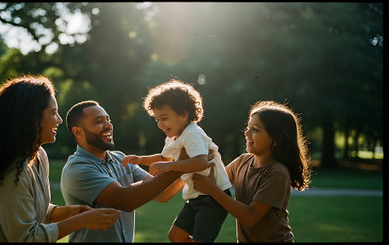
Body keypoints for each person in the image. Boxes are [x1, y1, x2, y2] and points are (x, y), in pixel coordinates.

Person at [0, 75, 120, 242]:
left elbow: (31, 209)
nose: (59, 120)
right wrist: (80, 221)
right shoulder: (10, 171)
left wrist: (69, 212)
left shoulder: (39, 155)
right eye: (53, 113)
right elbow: (26, 238)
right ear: (32, 117)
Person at [122, 79, 233, 242]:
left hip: (213, 196)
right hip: (196, 196)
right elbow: (164, 157)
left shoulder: (192, 133)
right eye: (157, 119)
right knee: (175, 236)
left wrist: (169, 166)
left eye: (164, 118)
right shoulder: (174, 137)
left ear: (183, 114)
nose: (160, 124)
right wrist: (140, 159)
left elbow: (201, 162)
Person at [60, 100, 187, 243]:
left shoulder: (121, 159)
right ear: (78, 131)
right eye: (98, 121)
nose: (108, 125)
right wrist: (182, 164)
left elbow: (162, 194)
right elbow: (126, 200)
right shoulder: (77, 169)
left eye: (108, 119)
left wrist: (189, 167)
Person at [192, 100, 312, 242]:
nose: (246, 133)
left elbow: (250, 217)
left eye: (255, 129)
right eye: (248, 127)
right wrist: (200, 158)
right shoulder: (243, 161)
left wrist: (213, 190)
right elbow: (218, 180)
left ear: (276, 139)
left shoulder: (277, 172)